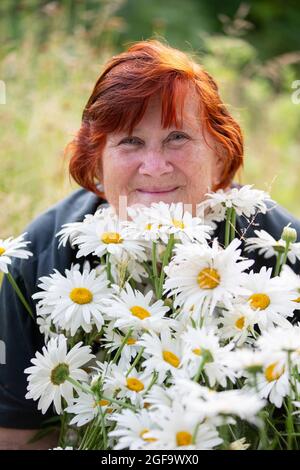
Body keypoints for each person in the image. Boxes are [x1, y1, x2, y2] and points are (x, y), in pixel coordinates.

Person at [1, 39, 300, 450]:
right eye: (130, 142)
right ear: (96, 161)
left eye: (177, 137)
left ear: (219, 153)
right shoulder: (42, 257)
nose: (155, 167)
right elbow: (17, 435)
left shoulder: (280, 255)